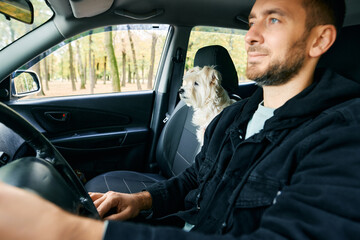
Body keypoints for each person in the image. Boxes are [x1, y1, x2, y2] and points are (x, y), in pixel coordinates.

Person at [1, 0, 360, 239]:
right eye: (252, 22)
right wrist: (141, 200)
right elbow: (194, 177)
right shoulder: (236, 115)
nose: (251, 36)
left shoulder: (342, 137)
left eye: (274, 19)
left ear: (319, 40)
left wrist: (67, 231)